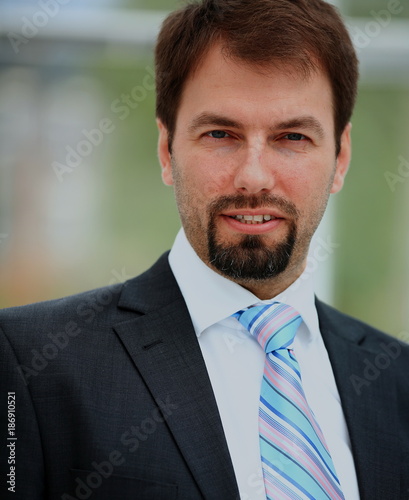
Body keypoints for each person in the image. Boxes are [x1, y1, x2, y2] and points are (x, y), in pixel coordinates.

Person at [1, 0, 408, 498]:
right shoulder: (30, 364)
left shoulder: (398, 382)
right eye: (220, 134)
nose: (254, 176)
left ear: (340, 158)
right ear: (166, 150)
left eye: (292, 136)